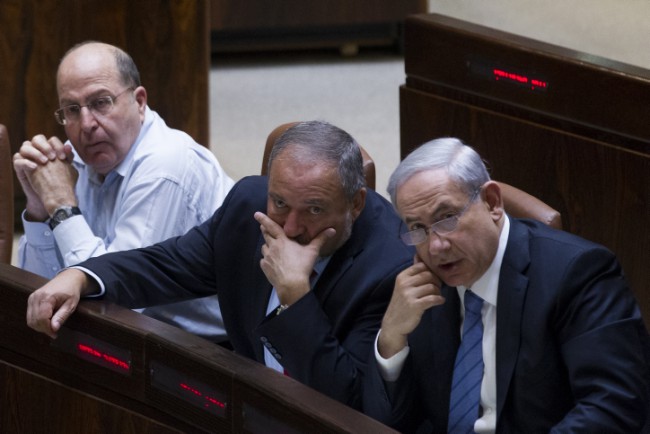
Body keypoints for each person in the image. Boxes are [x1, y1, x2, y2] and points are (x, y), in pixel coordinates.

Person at [25, 120, 414, 409]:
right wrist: (80, 275)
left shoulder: (391, 267)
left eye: (314, 209)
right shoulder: (248, 205)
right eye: (279, 202)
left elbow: (347, 400)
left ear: (356, 204)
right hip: (246, 405)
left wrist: (295, 296)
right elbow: (166, 265)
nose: (291, 228)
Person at [362, 137, 650, 433]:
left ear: (492, 203)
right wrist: (392, 337)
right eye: (417, 228)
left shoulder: (578, 273)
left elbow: (614, 404)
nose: (435, 246)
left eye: (447, 218)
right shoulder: (421, 286)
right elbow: (386, 420)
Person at [13, 41, 234, 343]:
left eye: (101, 102)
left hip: (208, 353)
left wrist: (63, 207)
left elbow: (118, 302)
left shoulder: (166, 165)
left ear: (139, 101)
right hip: (138, 337)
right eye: (72, 110)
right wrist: (41, 210)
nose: (87, 124)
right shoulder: (75, 160)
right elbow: (41, 291)